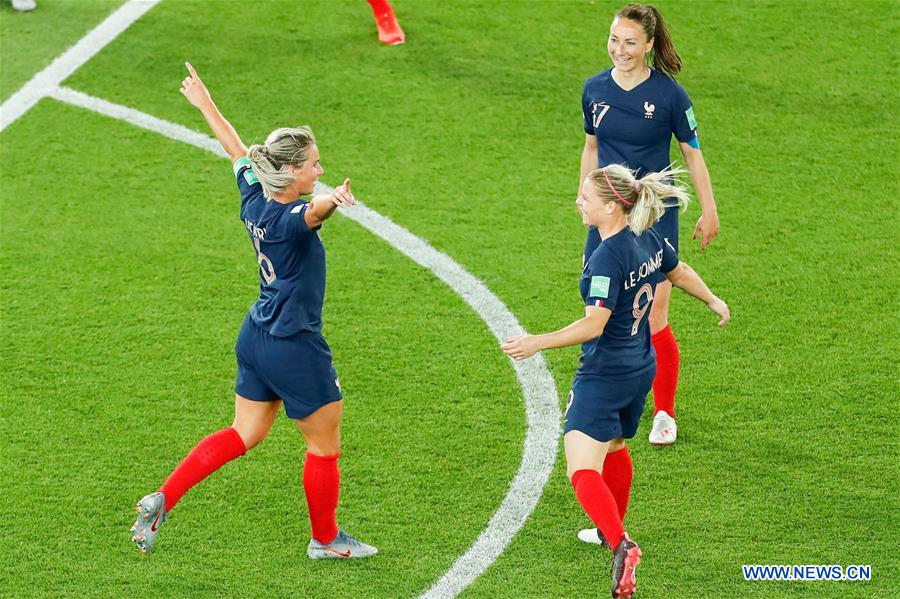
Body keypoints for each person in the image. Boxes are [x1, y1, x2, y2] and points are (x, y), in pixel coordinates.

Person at [130, 63, 377, 560]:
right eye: (313, 165)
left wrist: (205, 103)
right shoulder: (291, 218)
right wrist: (333, 199)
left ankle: (165, 497)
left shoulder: (253, 198)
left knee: (245, 432)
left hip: (257, 336)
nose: (319, 171)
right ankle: (325, 540)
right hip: (294, 345)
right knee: (324, 446)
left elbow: (237, 149)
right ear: (290, 173)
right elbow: (313, 212)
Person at [502, 164, 729, 598]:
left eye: (585, 197)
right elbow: (677, 272)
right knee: (617, 445)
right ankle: (612, 534)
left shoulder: (607, 256)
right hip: (641, 366)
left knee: (581, 467)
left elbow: (594, 325)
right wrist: (713, 300)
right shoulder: (645, 235)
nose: (578, 201)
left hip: (605, 373)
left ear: (610, 206)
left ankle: (622, 544)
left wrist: (537, 342)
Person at [579, 3, 720, 446]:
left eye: (630, 42)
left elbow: (692, 154)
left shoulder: (670, 97)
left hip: (653, 216)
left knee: (653, 313)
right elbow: (591, 146)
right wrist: (585, 194)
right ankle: (601, 395)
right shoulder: (594, 89)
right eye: (614, 39)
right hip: (607, 213)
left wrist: (709, 209)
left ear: (649, 46)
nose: (619, 49)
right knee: (601, 309)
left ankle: (664, 412)